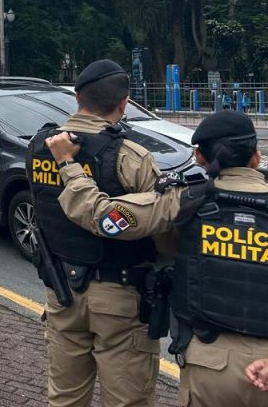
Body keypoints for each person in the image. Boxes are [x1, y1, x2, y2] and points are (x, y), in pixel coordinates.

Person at [48, 110, 268, 407]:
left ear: (200, 157)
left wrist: (68, 165)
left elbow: (105, 219)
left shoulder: (181, 201)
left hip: (209, 364)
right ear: (256, 157)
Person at [26, 59, 162, 407]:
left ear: (76, 97)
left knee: (66, 397)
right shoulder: (131, 156)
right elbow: (159, 230)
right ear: (124, 103)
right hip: (119, 296)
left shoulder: (40, 146)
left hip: (61, 291)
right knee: (127, 399)